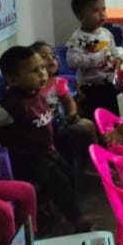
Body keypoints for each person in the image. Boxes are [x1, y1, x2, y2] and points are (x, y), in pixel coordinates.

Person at [0, 46, 92, 235]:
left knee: (67, 173)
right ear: (13, 80)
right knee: (58, 181)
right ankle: (77, 220)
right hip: (26, 160)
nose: (42, 73)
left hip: (46, 153)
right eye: (34, 71)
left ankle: (50, 211)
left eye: (42, 67)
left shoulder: (36, 95)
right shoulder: (9, 107)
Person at [31, 39, 97, 176]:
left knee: (87, 125)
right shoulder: (30, 86)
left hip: (60, 122)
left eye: (53, 55)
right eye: (44, 57)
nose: (51, 59)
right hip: (39, 127)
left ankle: (90, 162)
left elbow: (69, 102)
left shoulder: (58, 82)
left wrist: (72, 114)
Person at [66, 0, 121, 117]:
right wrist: (96, 58)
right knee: (93, 116)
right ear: (80, 16)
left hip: (108, 85)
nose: (102, 14)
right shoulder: (78, 38)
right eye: (95, 11)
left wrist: (117, 60)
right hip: (90, 88)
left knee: (111, 115)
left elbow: (114, 51)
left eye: (103, 9)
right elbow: (72, 61)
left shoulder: (106, 33)